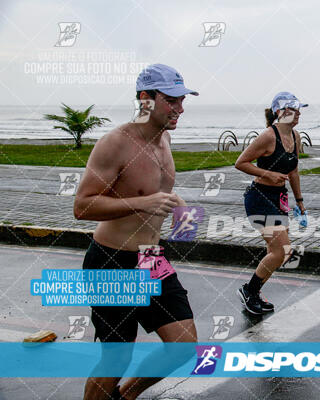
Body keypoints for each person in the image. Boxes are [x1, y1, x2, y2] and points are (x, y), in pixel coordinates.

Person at [74, 63, 198, 400]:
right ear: (146, 99)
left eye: (182, 100)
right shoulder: (116, 143)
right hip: (112, 261)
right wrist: (140, 204)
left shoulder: (164, 138)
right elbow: (83, 206)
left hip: (151, 259)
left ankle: (125, 396)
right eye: (172, 100)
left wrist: (181, 207)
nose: (180, 108)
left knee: (184, 346)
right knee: (116, 357)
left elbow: (157, 190)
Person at [234, 92, 308, 314]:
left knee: (274, 252)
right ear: (280, 111)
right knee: (282, 251)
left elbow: (293, 171)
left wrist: (300, 201)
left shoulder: (295, 136)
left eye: (299, 109)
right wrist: (267, 174)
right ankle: (249, 291)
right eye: (294, 109)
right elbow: (240, 163)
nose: (299, 113)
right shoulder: (268, 136)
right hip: (259, 198)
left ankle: (253, 295)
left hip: (279, 198)